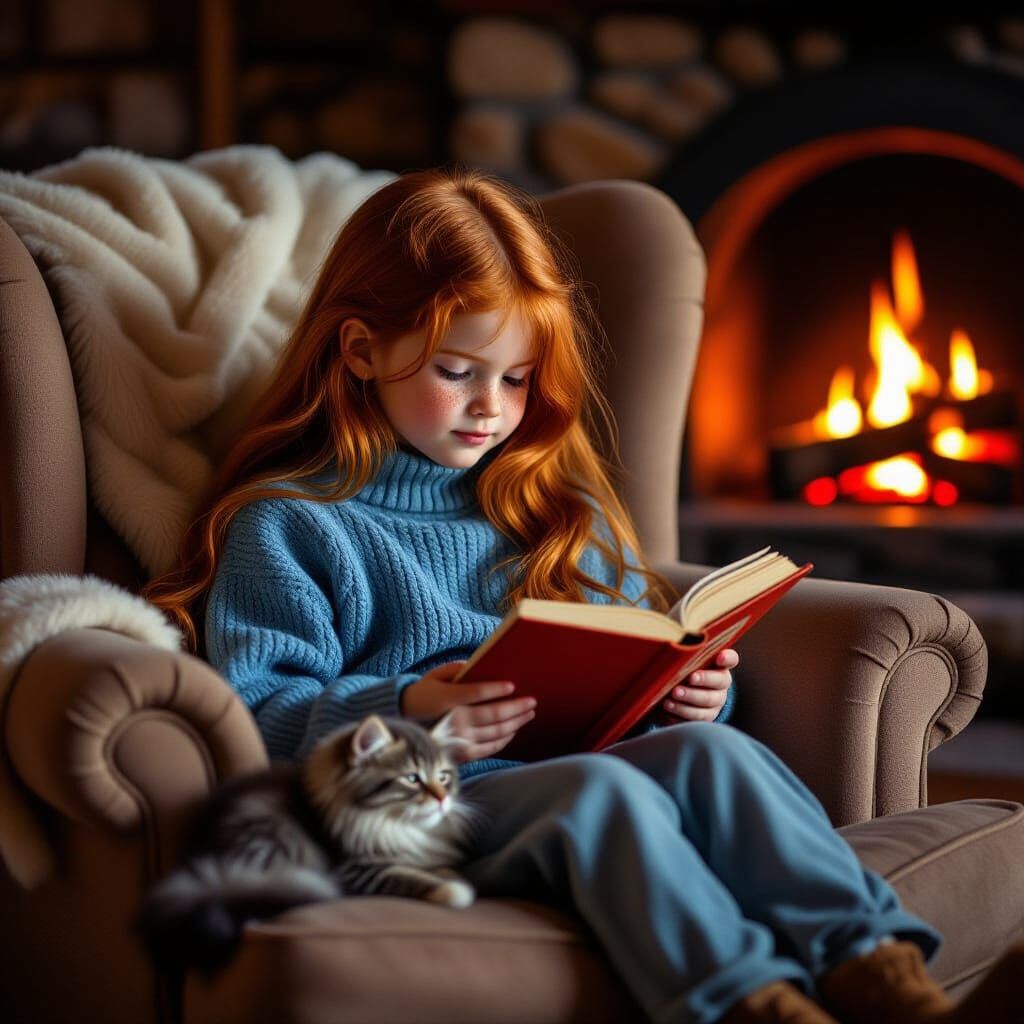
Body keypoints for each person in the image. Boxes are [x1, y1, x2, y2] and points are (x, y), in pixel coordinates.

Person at [144, 168, 1019, 1024]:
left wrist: (695, 696)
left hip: (576, 767)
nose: (491, 408)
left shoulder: (549, 503)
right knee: (610, 798)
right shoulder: (289, 524)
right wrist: (410, 704)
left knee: (719, 758)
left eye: (517, 379)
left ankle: (879, 972)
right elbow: (258, 712)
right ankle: (748, 1002)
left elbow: (634, 645)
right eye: (458, 371)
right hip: (431, 806)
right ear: (363, 348)